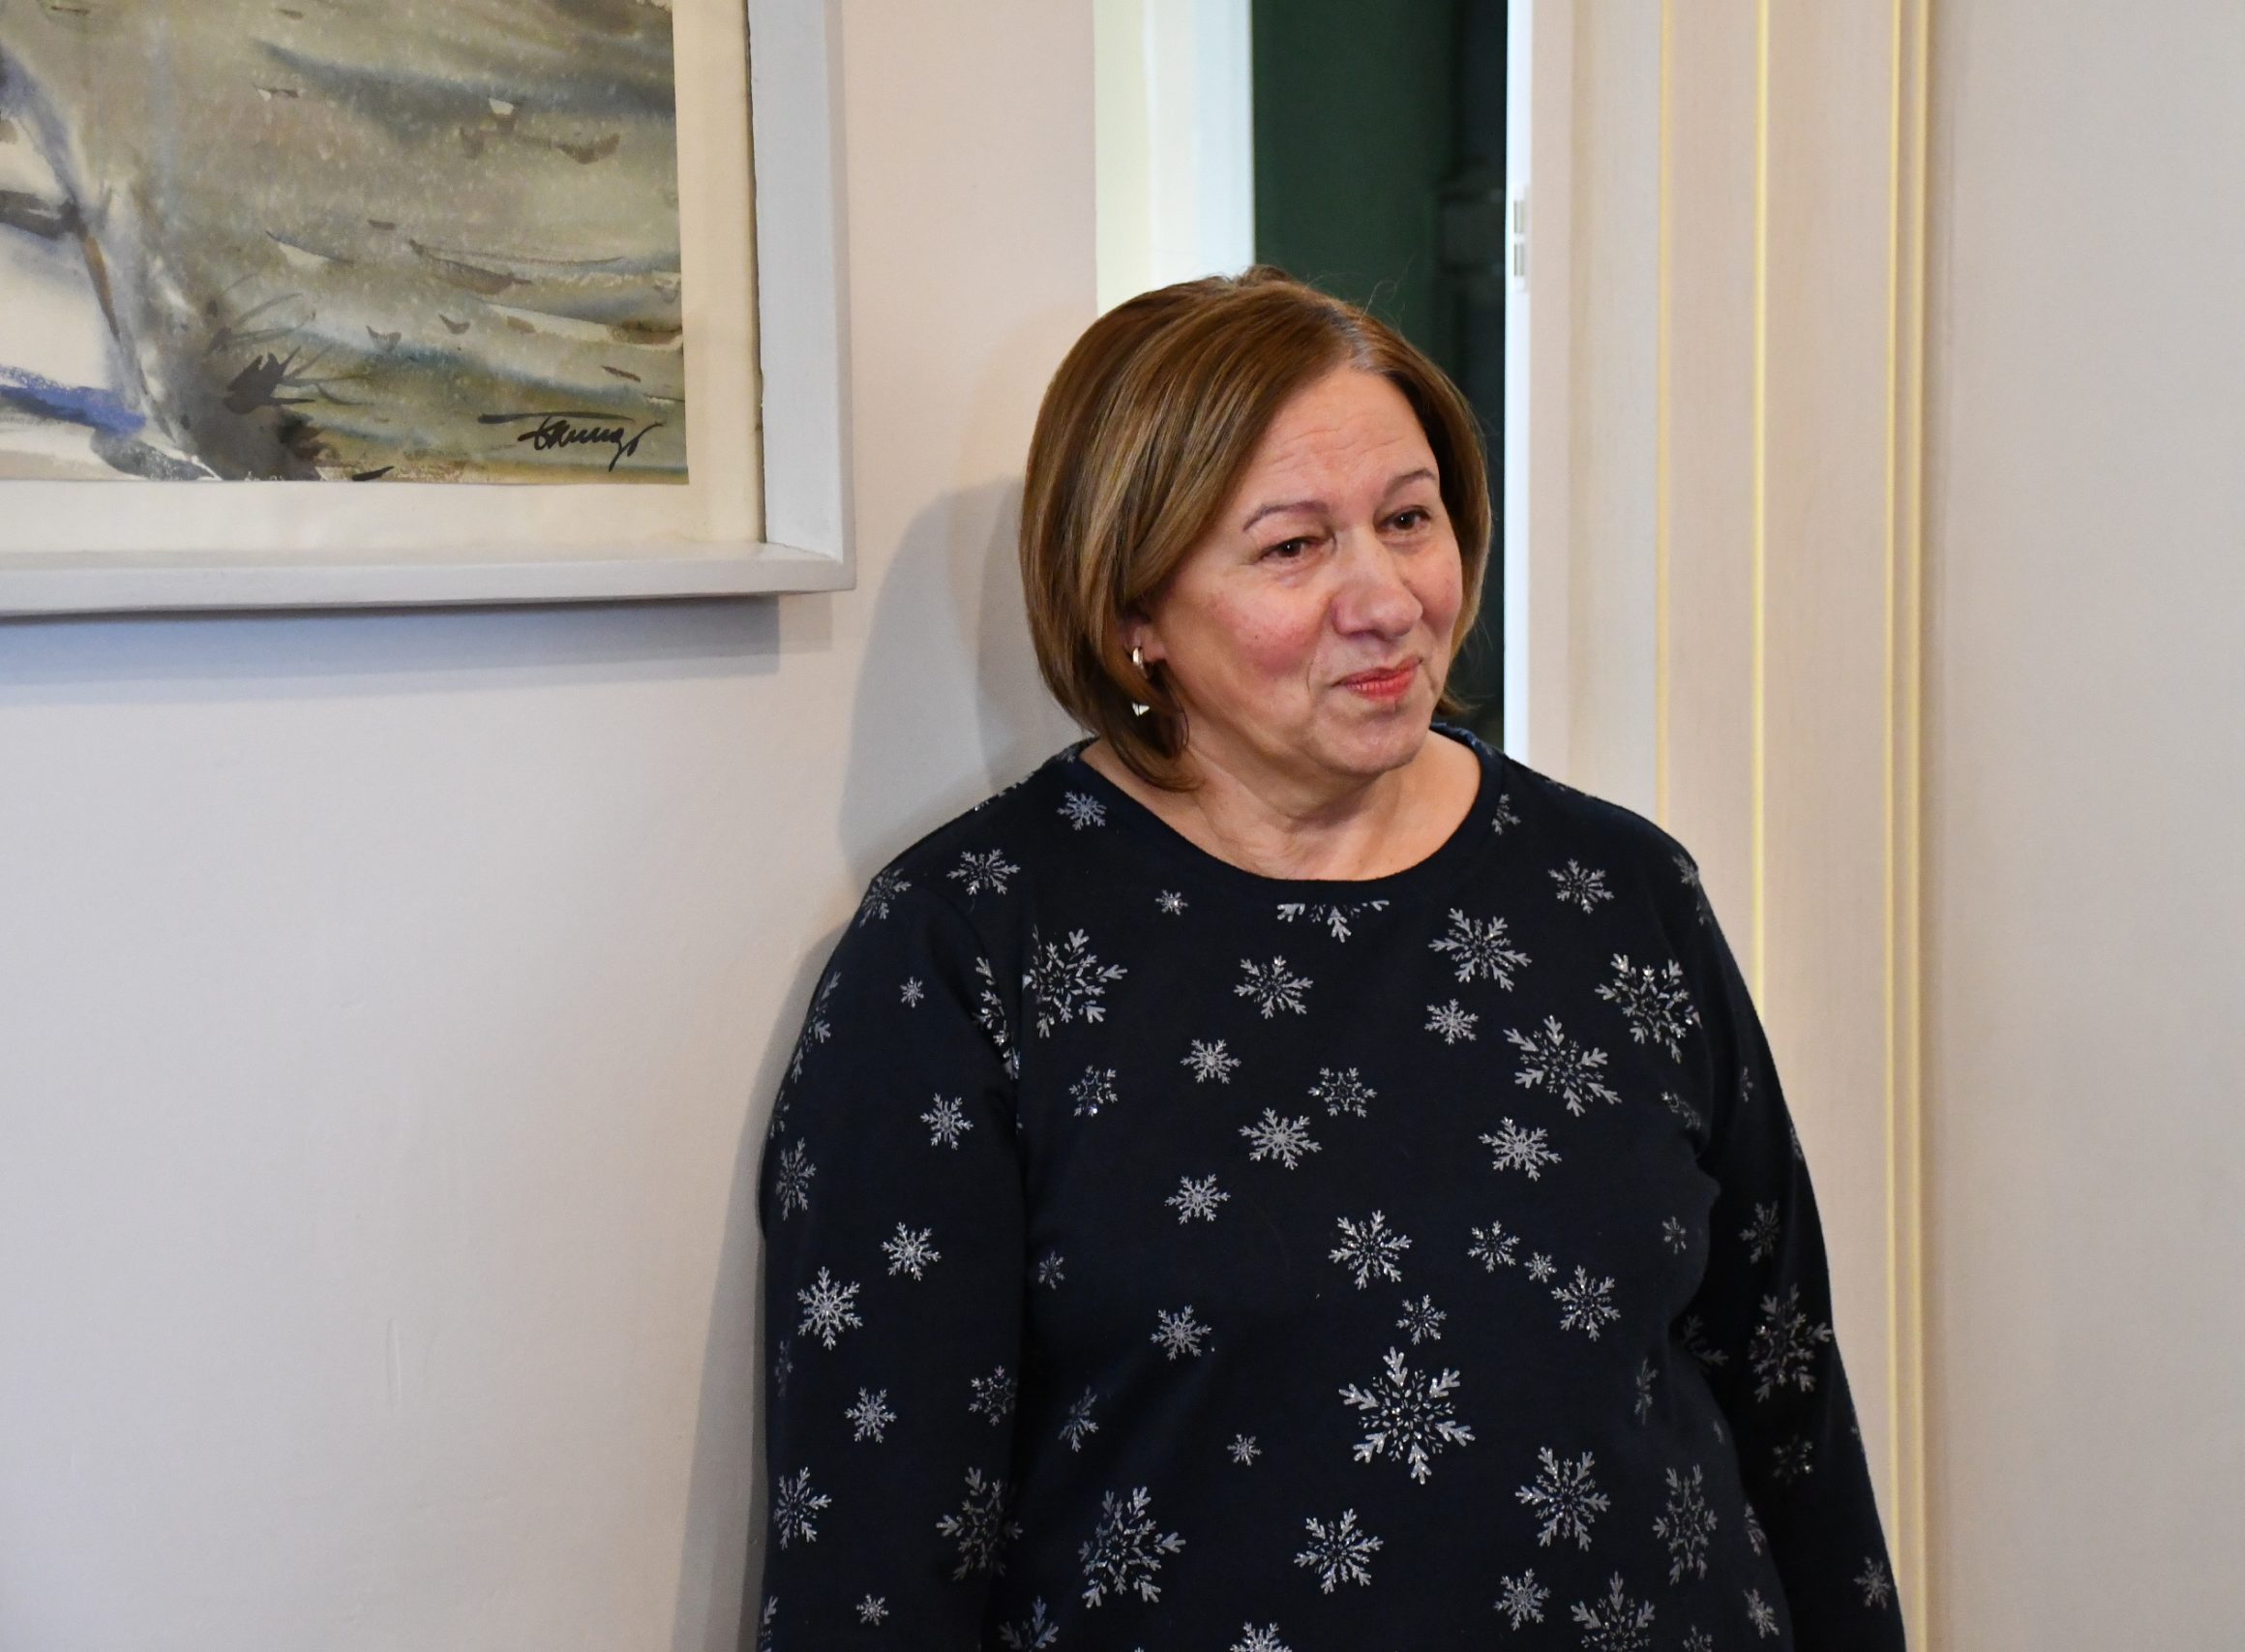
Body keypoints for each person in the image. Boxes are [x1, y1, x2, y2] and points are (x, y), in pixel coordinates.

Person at [757, 266, 1905, 1650]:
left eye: (1409, 520)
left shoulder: (1620, 893)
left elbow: (1785, 1399)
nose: (1389, 600)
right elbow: (875, 1564)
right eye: (1294, 546)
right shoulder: (965, 952)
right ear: (1131, 609)